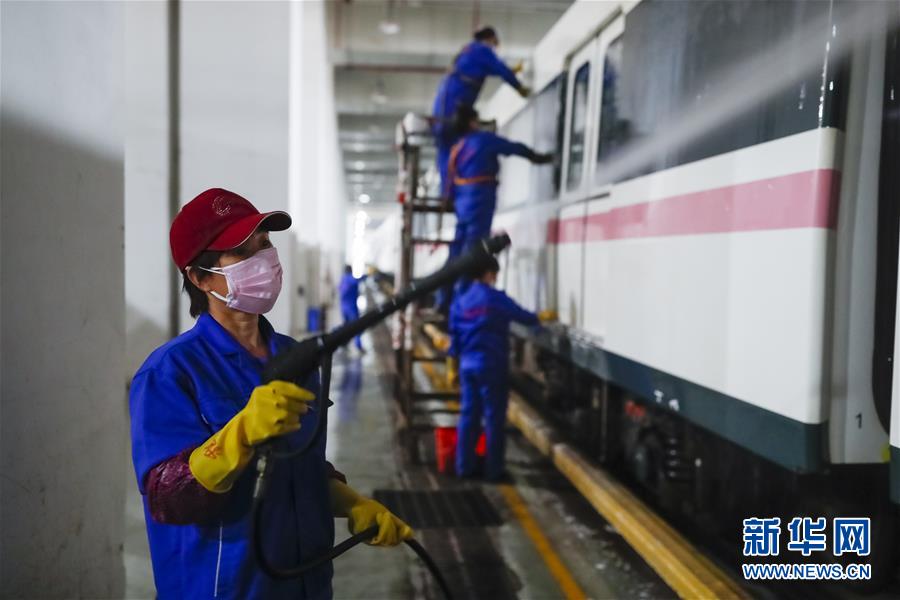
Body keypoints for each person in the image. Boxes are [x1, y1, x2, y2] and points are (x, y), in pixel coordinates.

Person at [129, 188, 412, 599]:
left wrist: (352, 503)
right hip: (225, 589)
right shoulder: (170, 372)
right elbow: (168, 498)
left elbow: (300, 465)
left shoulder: (294, 357)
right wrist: (240, 435)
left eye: (264, 244)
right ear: (200, 278)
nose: (263, 259)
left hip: (306, 581)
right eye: (241, 252)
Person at [436, 106, 553, 312]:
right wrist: (536, 157)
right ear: (472, 122)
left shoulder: (457, 149)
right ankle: (462, 306)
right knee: (472, 255)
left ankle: (442, 301)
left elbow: (448, 184)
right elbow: (511, 147)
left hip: (462, 205)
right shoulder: (483, 140)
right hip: (479, 201)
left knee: (456, 253)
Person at [448, 257, 554, 481]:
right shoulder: (495, 299)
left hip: (467, 367)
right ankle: (493, 471)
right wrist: (540, 317)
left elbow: (453, 339)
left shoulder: (460, 301)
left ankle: (464, 467)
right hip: (491, 366)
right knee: (494, 419)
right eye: (494, 274)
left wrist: (452, 368)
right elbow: (523, 316)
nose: (495, 278)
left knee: (468, 416)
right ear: (488, 273)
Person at [431, 26, 531, 193]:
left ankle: (447, 193)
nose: (494, 48)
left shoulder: (470, 52)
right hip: (451, 106)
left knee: (447, 151)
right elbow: (499, 69)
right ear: (490, 38)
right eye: (495, 43)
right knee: (449, 148)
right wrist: (519, 87)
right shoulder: (482, 50)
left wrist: (513, 70)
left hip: (445, 104)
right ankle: (449, 193)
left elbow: (492, 68)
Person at [338, 265, 366, 352]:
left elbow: (339, 289)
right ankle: (358, 345)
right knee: (356, 326)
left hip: (343, 307)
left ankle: (343, 342)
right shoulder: (350, 278)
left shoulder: (342, 280)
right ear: (351, 271)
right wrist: (367, 275)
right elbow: (358, 280)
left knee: (346, 326)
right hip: (351, 307)